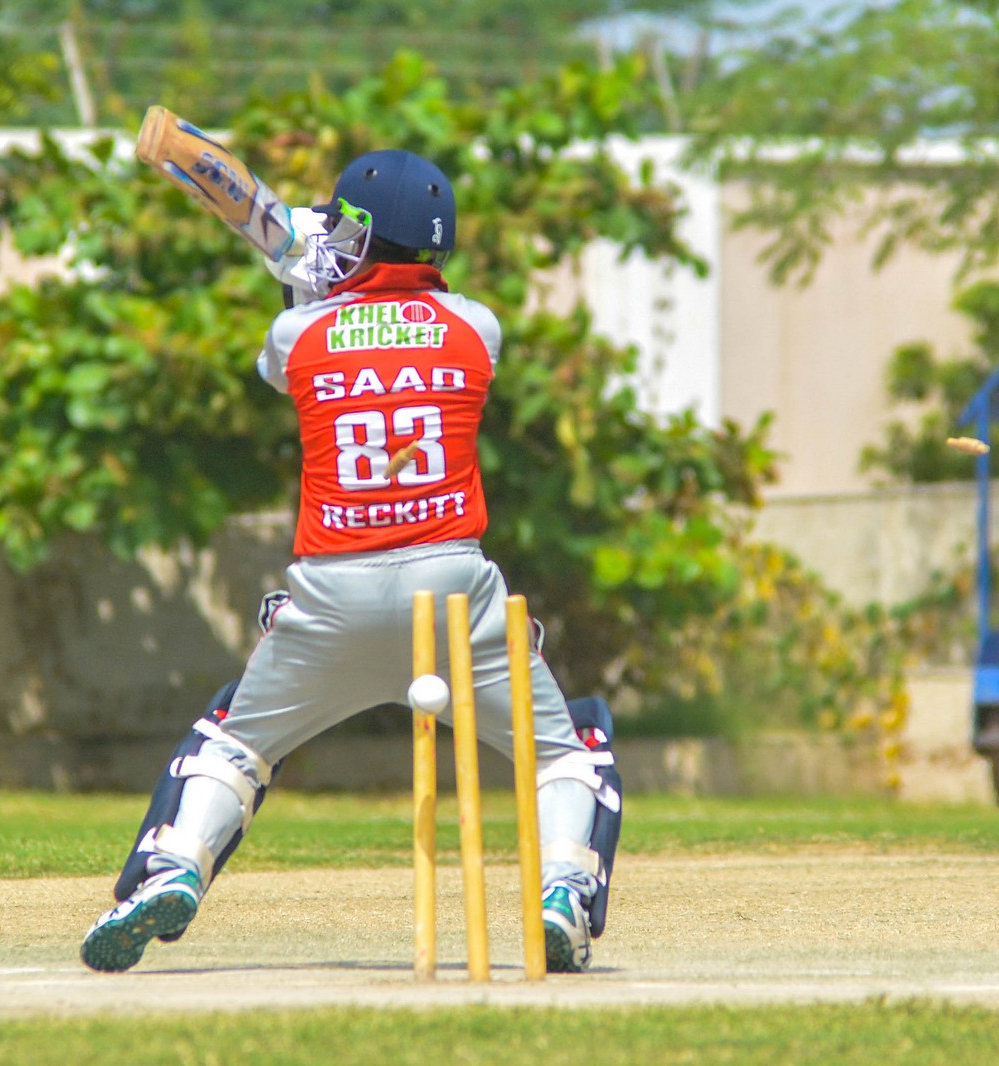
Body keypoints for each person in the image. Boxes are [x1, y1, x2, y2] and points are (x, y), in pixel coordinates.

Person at [80, 149, 618, 976]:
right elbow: (405, 338)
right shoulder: (478, 327)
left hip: (330, 594)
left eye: (340, 227)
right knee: (570, 748)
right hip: (454, 591)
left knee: (233, 741)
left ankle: (175, 865)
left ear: (359, 235)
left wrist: (306, 282)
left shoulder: (296, 333)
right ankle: (564, 895)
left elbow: (288, 363)